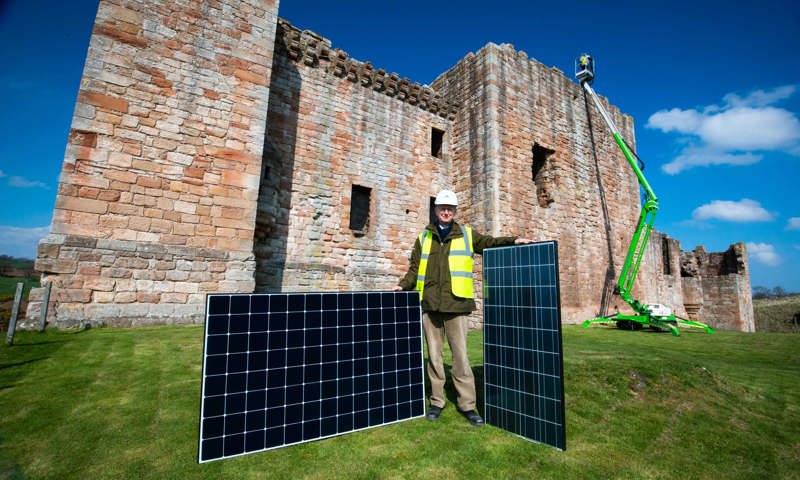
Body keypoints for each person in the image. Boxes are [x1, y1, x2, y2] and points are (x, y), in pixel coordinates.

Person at [393, 189, 533, 426]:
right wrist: (401, 286)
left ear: (455, 211)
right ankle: (437, 401)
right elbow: (414, 269)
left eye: (450, 208)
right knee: (434, 359)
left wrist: (513, 240)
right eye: (442, 208)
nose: (446, 212)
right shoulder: (423, 238)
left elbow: (489, 243)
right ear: (435, 210)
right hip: (430, 306)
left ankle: (467, 405)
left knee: (460, 358)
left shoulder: (467, 235)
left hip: (456, 306)